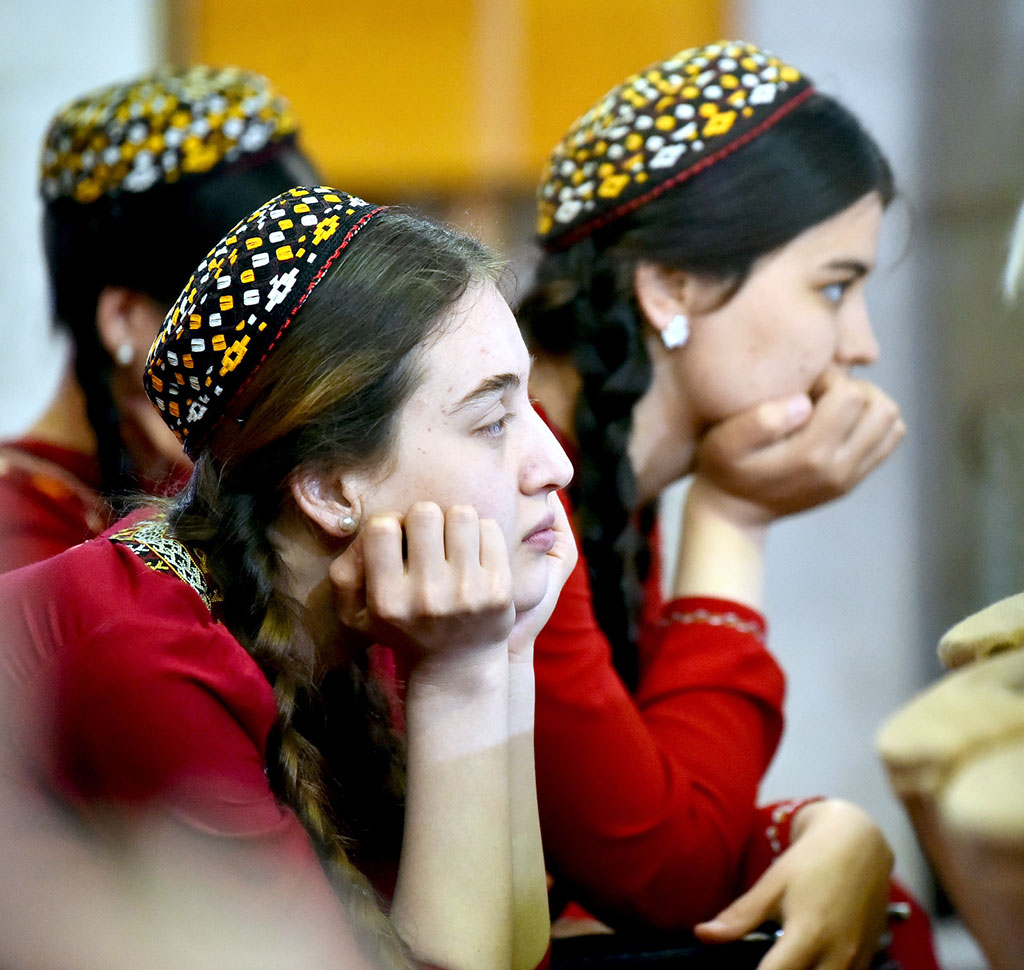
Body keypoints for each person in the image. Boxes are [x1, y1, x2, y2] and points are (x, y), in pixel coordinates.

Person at [0, 184, 576, 970]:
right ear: (333, 491)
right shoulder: (139, 654)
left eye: (530, 408)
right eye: (493, 422)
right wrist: (466, 677)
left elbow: (514, 952)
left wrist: (507, 654)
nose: (554, 465)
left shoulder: (360, 602)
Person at [518, 40, 940, 969]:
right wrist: (733, 520)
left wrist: (817, 827)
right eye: (834, 287)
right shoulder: (517, 489)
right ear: (669, 285)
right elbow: (665, 868)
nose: (860, 345)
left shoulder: (605, 473)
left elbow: (643, 813)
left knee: (876, 904)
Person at [0, 65, 320, 573]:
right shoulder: (18, 534)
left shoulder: (186, 476)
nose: (271, 368)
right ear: (124, 318)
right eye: (238, 331)